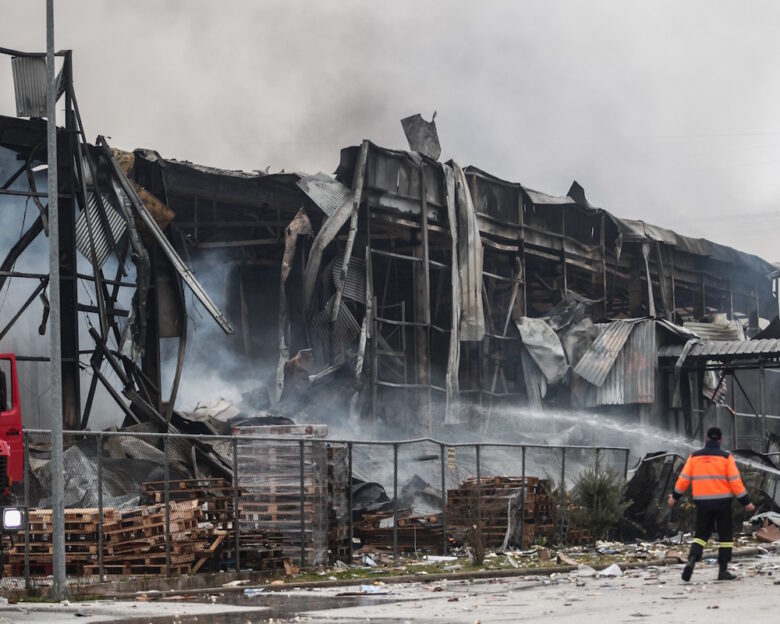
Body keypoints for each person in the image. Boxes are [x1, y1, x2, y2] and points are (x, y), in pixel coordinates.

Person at [668, 427, 756, 581]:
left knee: (701, 535)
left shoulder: (694, 457)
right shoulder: (726, 457)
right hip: (723, 504)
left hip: (703, 504)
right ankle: (723, 570)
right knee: (725, 537)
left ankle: (692, 560)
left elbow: (683, 480)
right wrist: (746, 502)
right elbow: (736, 483)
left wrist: (674, 497)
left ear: (706, 438)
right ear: (720, 440)